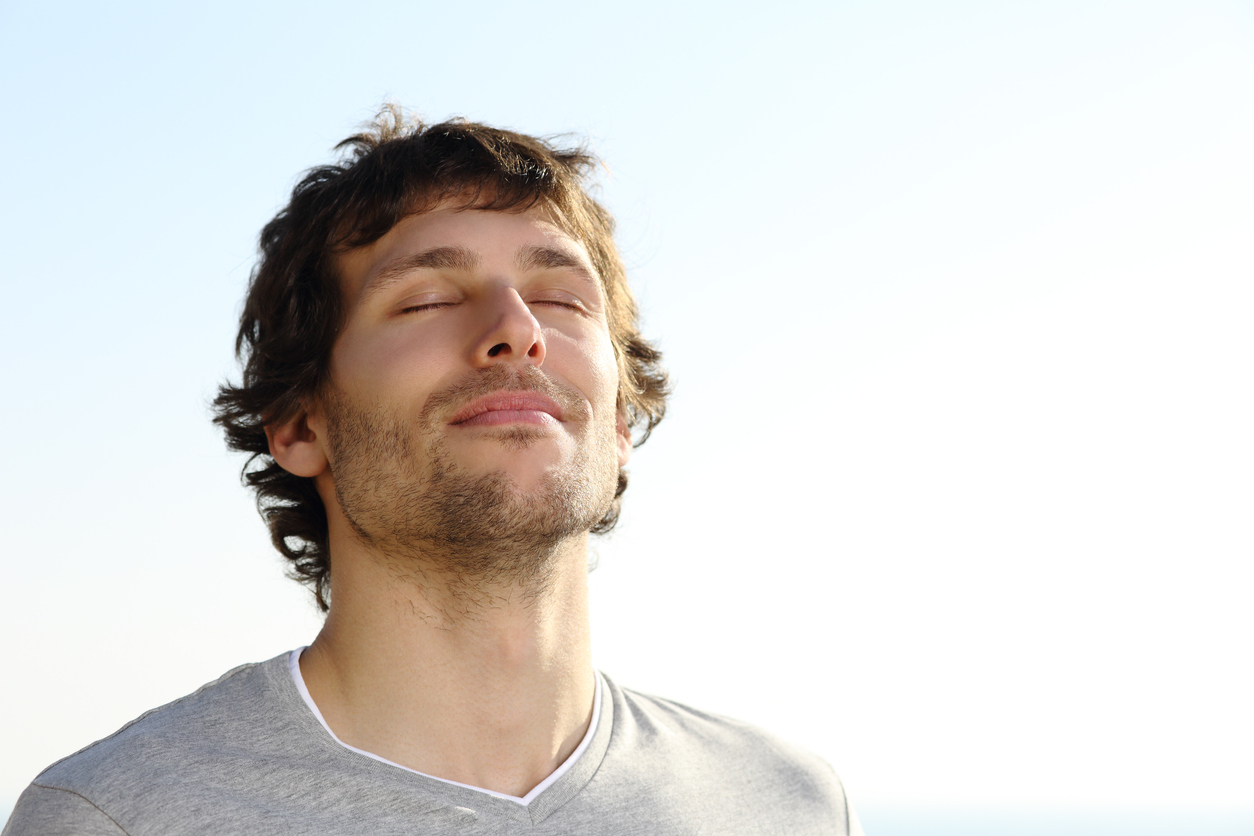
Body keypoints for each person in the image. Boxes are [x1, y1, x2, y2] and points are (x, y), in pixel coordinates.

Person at [4, 107, 864, 836]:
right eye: (425, 299)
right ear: (303, 424)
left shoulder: (786, 805)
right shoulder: (116, 818)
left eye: (562, 299)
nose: (518, 328)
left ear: (621, 421)